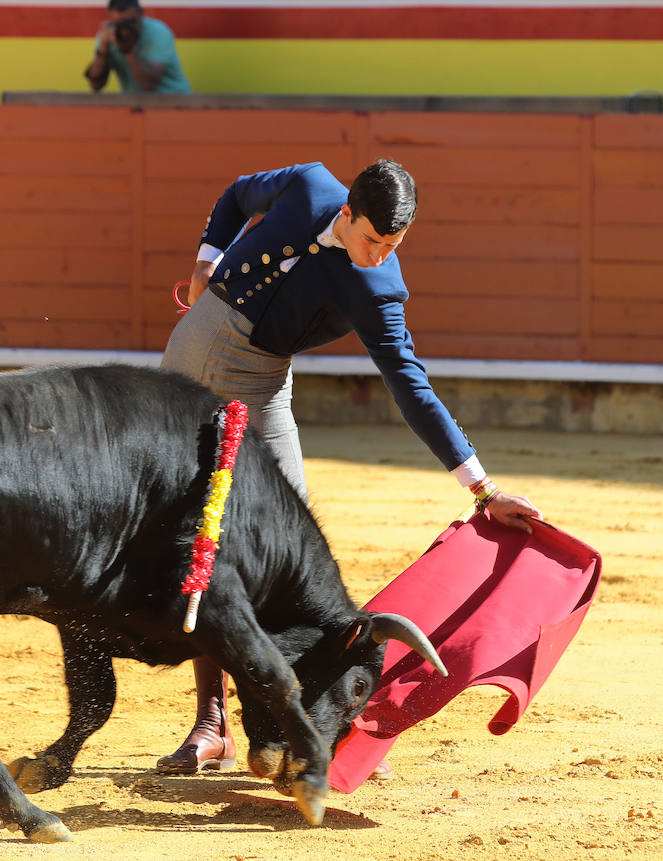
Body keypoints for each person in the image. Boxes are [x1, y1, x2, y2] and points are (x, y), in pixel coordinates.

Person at [156, 159, 540, 777]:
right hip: (182, 372)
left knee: (286, 556)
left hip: (258, 385)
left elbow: (410, 384)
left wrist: (482, 487)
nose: (378, 256)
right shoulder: (308, 185)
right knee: (198, 539)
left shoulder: (377, 286)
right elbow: (233, 196)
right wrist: (205, 260)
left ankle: (320, 713)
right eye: (371, 240)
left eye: (393, 246)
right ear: (345, 213)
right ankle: (212, 721)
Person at [84, 0, 190, 94]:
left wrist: (128, 49)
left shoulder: (158, 32)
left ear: (142, 15)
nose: (127, 28)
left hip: (173, 101)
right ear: (111, 21)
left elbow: (148, 84)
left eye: (131, 22)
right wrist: (103, 49)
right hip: (136, 105)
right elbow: (96, 85)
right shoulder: (108, 35)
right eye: (120, 23)